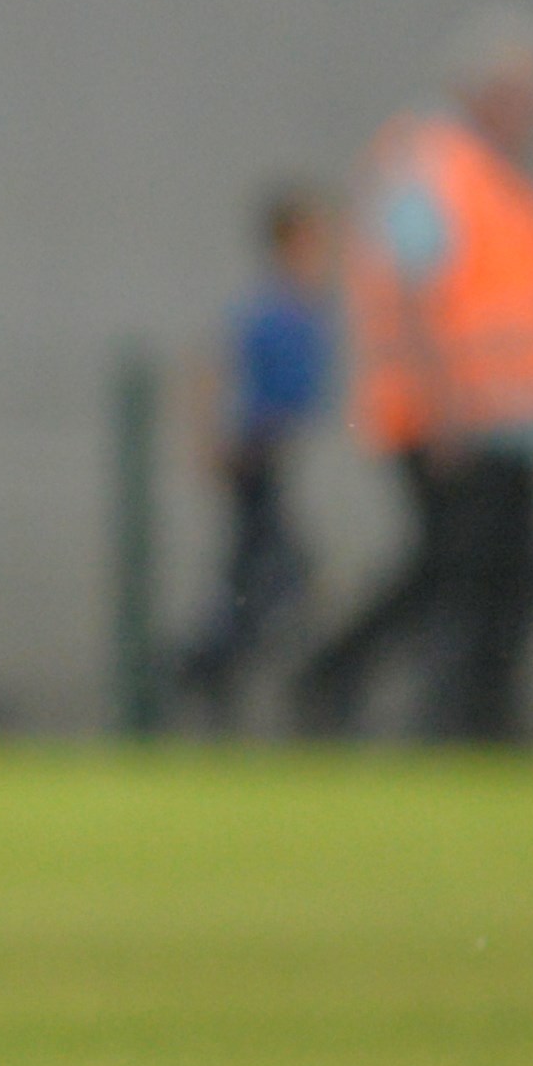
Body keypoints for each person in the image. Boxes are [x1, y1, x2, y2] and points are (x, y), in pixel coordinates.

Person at [296, 12, 533, 745]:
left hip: (517, 422)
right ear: (480, 93)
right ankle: (341, 680)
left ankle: (488, 715)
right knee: (448, 573)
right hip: (446, 419)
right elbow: (414, 296)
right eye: (519, 96)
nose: (532, 114)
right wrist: (446, 408)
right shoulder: (432, 169)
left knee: (508, 578)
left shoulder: (510, 179)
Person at [166, 186, 338, 725]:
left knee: (256, 576)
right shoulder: (270, 308)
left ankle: (207, 673)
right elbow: (208, 366)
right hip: (253, 456)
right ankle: (196, 668)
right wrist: (207, 441)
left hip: (273, 455)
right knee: (273, 576)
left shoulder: (306, 307)